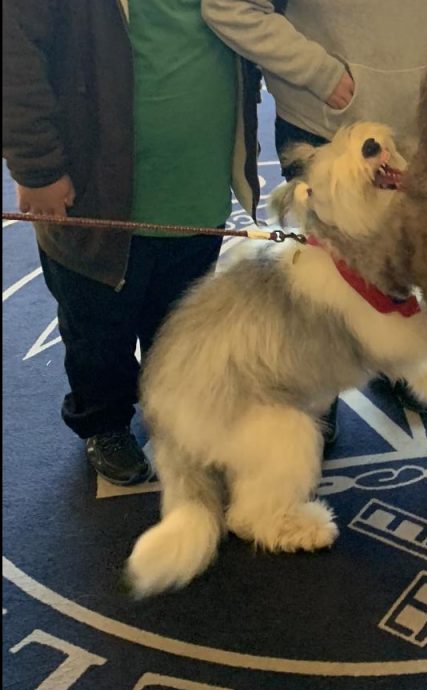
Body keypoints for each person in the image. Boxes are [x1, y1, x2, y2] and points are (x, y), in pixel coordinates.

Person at [2, 0, 260, 485]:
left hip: (196, 187)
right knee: (97, 327)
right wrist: (37, 166)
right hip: (96, 193)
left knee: (181, 322)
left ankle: (176, 410)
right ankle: (104, 421)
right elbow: (13, 52)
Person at [201, 0, 427, 443]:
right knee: (325, 279)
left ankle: (396, 365)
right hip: (324, 125)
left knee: (400, 265)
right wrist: (321, 72)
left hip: (413, 123)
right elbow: (228, 7)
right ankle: (316, 395)